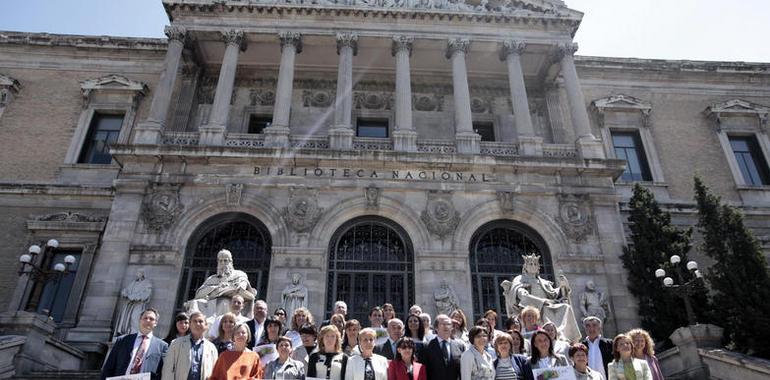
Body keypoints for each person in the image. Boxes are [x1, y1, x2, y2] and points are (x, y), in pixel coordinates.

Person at [102, 308, 168, 380]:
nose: (148, 320)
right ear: (140, 320)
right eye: (145, 318)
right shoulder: (122, 340)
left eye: (151, 319)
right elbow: (109, 367)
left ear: (156, 323)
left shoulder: (162, 346)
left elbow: (163, 372)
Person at [162, 311, 219, 380]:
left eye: (200, 321)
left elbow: (215, 372)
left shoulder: (212, 348)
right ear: (190, 324)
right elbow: (168, 369)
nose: (197, 324)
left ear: (206, 325)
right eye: (194, 321)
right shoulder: (176, 343)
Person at [418, 314, 465, 380]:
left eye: (448, 324)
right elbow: (422, 371)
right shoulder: (426, 346)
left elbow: (462, 371)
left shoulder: (460, 346)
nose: (446, 326)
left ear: (452, 327)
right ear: (436, 327)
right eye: (443, 324)